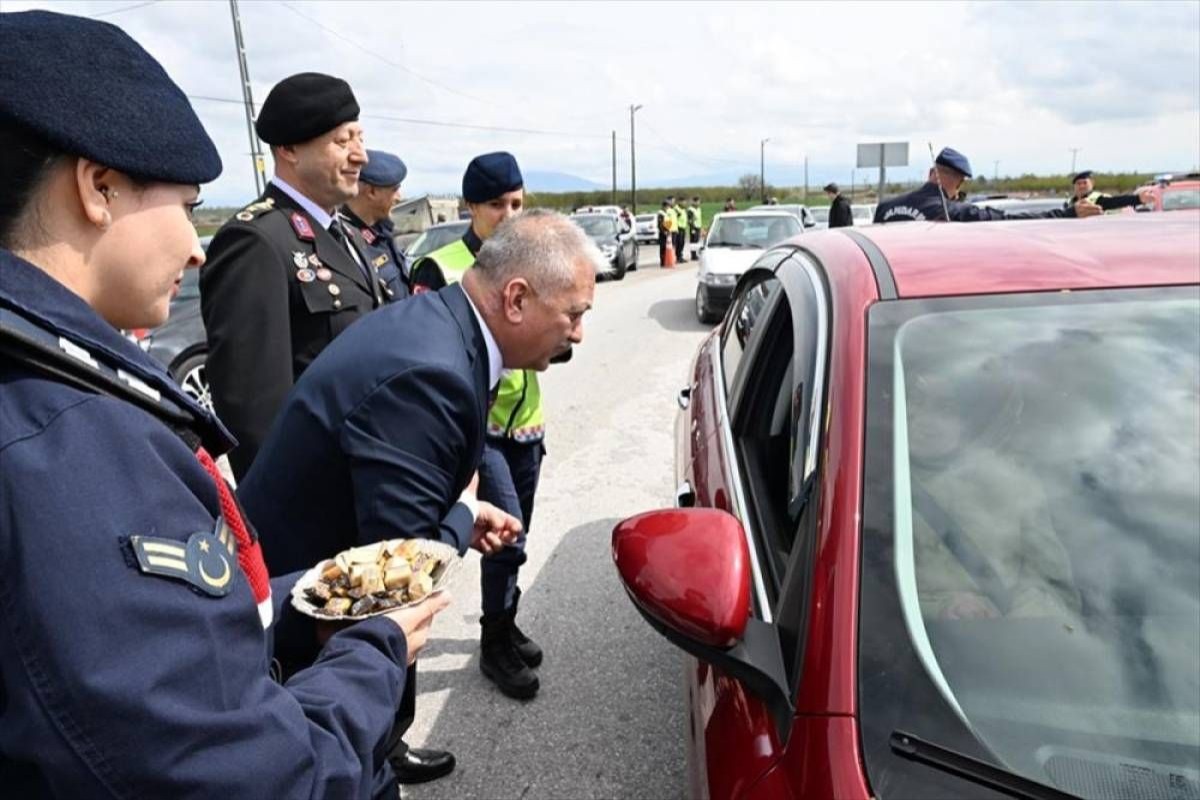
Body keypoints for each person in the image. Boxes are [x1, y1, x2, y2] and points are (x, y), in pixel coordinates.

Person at [0, 10, 449, 798]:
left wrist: (292, 604)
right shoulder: (67, 435)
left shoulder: (54, 382)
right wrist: (367, 651)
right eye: (182, 203)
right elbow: (234, 770)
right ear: (97, 187)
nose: (195, 243)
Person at [238, 210, 600, 784]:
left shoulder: (444, 325)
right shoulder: (433, 373)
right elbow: (399, 573)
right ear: (516, 299)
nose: (578, 333)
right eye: (574, 313)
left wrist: (461, 511)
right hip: (305, 639)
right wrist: (461, 514)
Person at [409, 154, 555, 701]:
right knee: (506, 535)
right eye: (497, 205)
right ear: (470, 206)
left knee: (519, 535)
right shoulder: (441, 268)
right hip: (479, 431)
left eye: (518, 203)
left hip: (527, 425)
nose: (510, 214)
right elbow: (427, 356)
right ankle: (493, 645)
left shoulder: (532, 263)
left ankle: (503, 622)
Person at [200, 72, 382, 480]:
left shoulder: (347, 235)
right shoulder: (256, 241)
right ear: (289, 149)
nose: (361, 156)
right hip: (320, 498)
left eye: (360, 138)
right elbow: (254, 413)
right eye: (342, 141)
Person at [875, 147, 1103, 223]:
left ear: (931, 173)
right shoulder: (953, 211)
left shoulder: (886, 207)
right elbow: (1010, 220)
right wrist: (1067, 214)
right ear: (961, 181)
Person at [342, 148, 410, 302]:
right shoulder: (345, 242)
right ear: (371, 192)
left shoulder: (383, 231)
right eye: (395, 190)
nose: (399, 197)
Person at [1066, 170, 1155, 213]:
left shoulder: (1098, 199)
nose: (1081, 186)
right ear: (1074, 186)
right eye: (1078, 183)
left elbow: (1116, 201)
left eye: (1085, 183)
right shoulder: (1069, 203)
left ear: (1092, 183)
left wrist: (1137, 199)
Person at [671, 196, 687, 263]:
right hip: (678, 228)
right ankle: (677, 257)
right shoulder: (676, 209)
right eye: (683, 202)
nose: (684, 203)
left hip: (683, 228)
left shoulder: (683, 209)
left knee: (682, 243)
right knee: (678, 243)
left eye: (685, 202)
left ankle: (680, 256)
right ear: (679, 202)